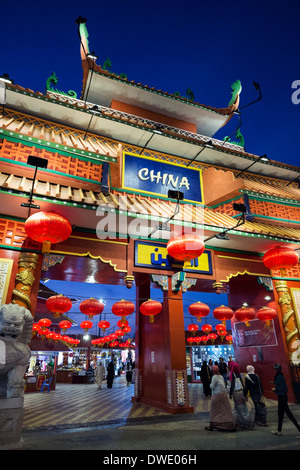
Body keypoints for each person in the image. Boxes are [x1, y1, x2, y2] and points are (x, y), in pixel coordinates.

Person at [271, 363, 300, 436]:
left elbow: (283, 388)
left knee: (289, 415)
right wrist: (274, 383)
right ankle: (278, 430)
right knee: (280, 414)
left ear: (276, 369)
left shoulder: (279, 376)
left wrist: (275, 390)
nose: (273, 369)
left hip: (282, 397)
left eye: (274, 368)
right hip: (281, 397)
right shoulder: (279, 375)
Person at [205, 365, 235, 432]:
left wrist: (210, 384)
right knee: (224, 410)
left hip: (216, 396)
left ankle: (212, 425)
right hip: (224, 395)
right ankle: (227, 424)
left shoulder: (214, 377)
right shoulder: (221, 376)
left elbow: (212, 386)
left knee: (214, 410)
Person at [229, 362, 254, 430]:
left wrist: (230, 393)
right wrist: (245, 394)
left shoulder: (233, 375)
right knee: (239, 408)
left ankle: (248, 422)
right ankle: (239, 423)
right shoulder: (238, 374)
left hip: (236, 393)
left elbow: (233, 385)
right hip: (241, 392)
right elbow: (242, 384)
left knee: (240, 408)